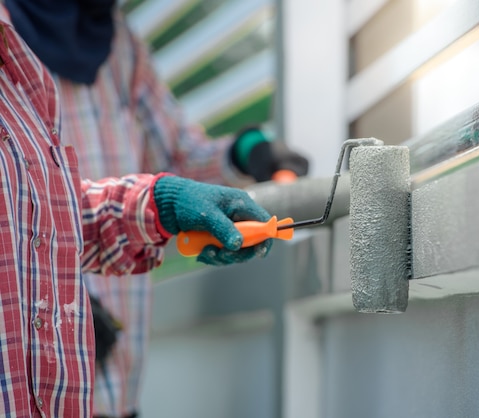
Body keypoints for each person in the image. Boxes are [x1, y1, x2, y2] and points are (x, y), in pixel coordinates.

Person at [4, 1, 309, 417]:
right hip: (37, 367)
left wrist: (244, 152)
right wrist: (53, 299)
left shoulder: (118, 43)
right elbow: (21, 209)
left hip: (123, 358)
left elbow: (179, 154)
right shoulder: (9, 44)